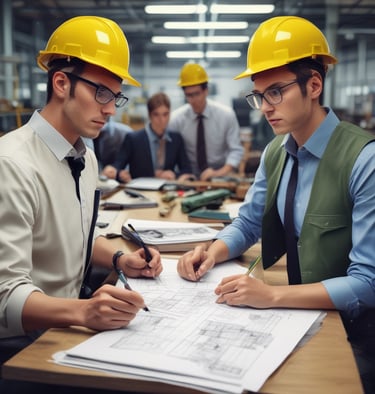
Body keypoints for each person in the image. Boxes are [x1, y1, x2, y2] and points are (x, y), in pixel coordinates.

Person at [177, 16, 375, 394]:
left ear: (314, 85)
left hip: (356, 335)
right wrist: (212, 252)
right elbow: (249, 223)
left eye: (276, 92)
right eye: (259, 95)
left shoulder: (364, 161)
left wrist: (272, 296)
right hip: (299, 315)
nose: (264, 107)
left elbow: (368, 283)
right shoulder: (275, 152)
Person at [0, 15, 163, 379]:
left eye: (115, 96)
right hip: (22, 346)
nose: (110, 108)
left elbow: (77, 236)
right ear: (61, 83)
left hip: (66, 326)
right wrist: (83, 312)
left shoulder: (84, 156)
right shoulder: (11, 164)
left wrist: (121, 258)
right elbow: (3, 298)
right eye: (101, 92)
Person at [169, 63, 244, 181]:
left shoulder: (226, 115)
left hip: (220, 174)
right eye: (189, 95)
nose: (193, 100)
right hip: (189, 177)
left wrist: (219, 172)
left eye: (197, 94)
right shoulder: (176, 120)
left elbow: (236, 150)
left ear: (206, 91)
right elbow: (171, 153)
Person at [105, 92, 194, 183]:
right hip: (139, 190)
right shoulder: (133, 139)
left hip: (166, 190)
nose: (162, 120)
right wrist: (119, 173)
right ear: (149, 115)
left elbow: (186, 170)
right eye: (156, 114)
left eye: (165, 114)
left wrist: (173, 174)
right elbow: (118, 165)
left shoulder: (176, 139)